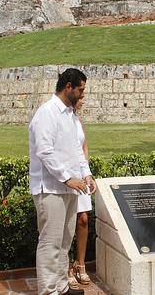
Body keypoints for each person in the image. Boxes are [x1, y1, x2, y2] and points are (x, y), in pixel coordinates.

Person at [29, 68, 96, 295]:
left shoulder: (69, 114)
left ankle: (61, 286)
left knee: (65, 241)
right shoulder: (47, 112)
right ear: (68, 86)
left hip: (69, 188)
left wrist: (86, 174)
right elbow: (44, 151)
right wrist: (68, 178)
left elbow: (76, 151)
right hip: (50, 189)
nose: (82, 94)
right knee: (50, 243)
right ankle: (48, 291)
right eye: (80, 89)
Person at [67, 96, 92, 289]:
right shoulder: (63, 118)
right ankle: (66, 267)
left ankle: (80, 263)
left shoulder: (77, 119)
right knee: (65, 222)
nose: (83, 101)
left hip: (81, 176)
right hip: (67, 177)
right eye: (81, 96)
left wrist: (87, 173)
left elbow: (84, 146)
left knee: (83, 219)